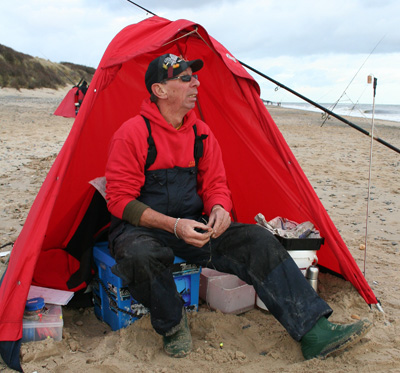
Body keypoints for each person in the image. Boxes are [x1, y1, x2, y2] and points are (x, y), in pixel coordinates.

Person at [105, 53, 372, 359]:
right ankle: (173, 325)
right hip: (142, 229)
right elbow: (119, 200)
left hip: (193, 225)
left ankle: (313, 331)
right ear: (160, 90)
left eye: (195, 76)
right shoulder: (132, 133)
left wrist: (220, 208)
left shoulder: (201, 134)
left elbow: (216, 185)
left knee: (259, 240)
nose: (196, 83)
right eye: (185, 78)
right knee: (139, 255)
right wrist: (173, 225)